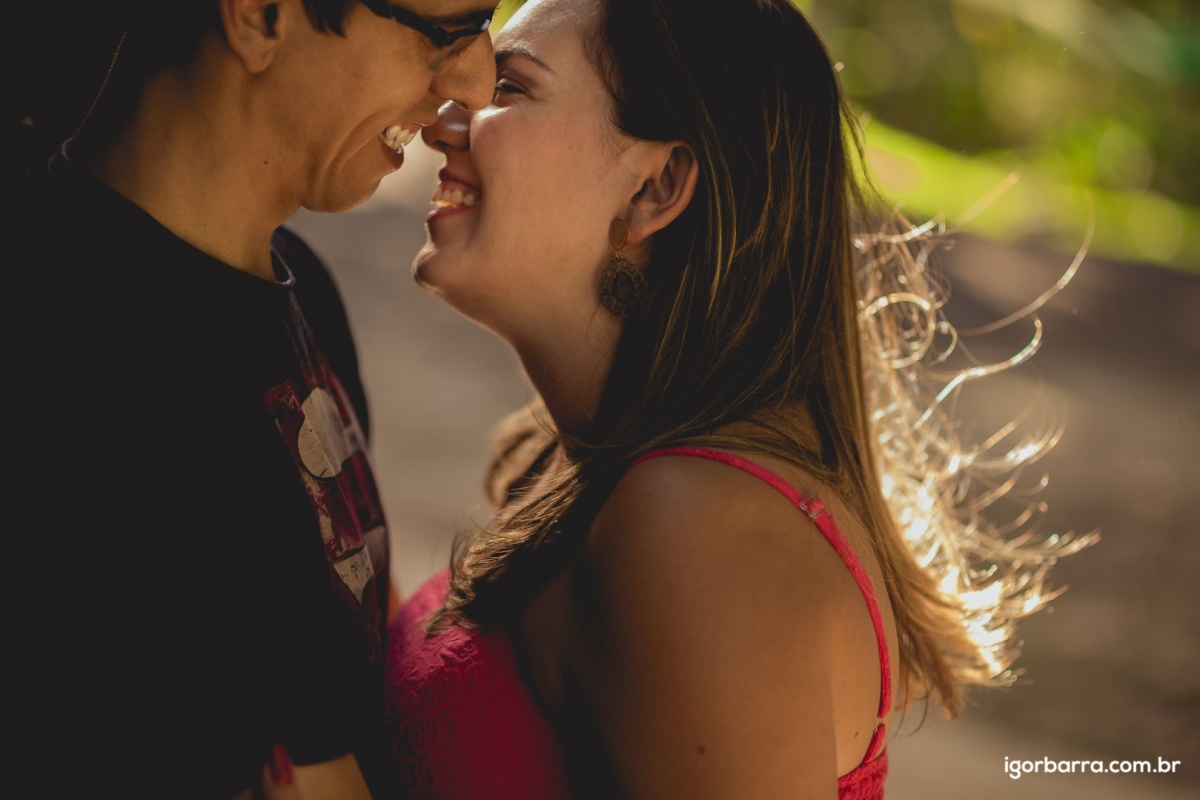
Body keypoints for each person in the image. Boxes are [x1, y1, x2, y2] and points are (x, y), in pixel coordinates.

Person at [374, 0, 1088, 797]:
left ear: (656, 188)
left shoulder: (690, 526)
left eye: (510, 86)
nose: (445, 121)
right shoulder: (592, 462)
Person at [1, 1, 497, 798]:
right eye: (445, 31)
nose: (476, 82)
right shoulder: (79, 376)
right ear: (261, 16)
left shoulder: (290, 279)